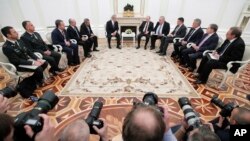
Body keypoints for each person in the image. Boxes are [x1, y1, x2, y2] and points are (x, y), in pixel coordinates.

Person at [1, 26, 48, 98]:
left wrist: (37, 59)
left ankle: (36, 80)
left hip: (27, 61)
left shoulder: (19, 41)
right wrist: (33, 63)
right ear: (8, 35)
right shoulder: (7, 47)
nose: (17, 33)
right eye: (14, 32)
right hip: (19, 65)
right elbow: (16, 61)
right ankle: (37, 82)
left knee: (44, 63)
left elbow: (29, 52)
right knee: (39, 69)